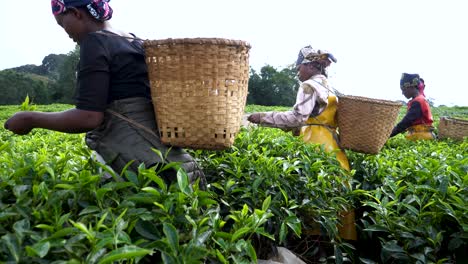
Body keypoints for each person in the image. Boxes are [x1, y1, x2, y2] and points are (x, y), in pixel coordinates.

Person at [4, 0, 206, 185]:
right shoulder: (136, 41)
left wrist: (29, 118)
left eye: (61, 23)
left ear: (75, 13)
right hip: (177, 166)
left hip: (141, 163)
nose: (65, 32)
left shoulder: (95, 42)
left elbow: (88, 117)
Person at [247, 45, 356, 240]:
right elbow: (315, 117)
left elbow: (297, 117)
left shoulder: (308, 86)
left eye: (299, 67)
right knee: (333, 199)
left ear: (310, 66)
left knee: (311, 198)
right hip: (333, 145)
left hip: (315, 145)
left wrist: (262, 117)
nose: (297, 71)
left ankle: (309, 246)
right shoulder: (329, 87)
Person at [389, 73, 435, 140]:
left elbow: (406, 122)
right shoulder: (418, 100)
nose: (402, 93)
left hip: (422, 136)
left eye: (404, 90)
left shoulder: (418, 101)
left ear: (411, 87)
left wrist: (388, 134)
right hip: (419, 135)